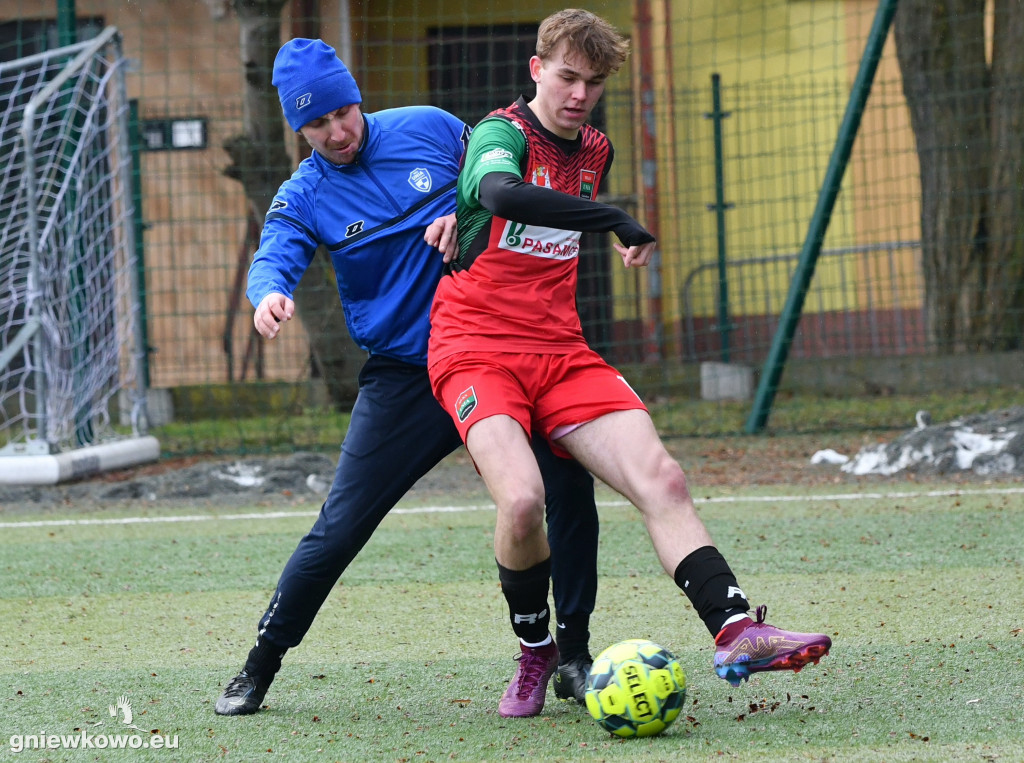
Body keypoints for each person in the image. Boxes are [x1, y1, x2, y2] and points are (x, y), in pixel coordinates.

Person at [427, 8, 831, 719]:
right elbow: (498, 194)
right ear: (536, 69)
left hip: (561, 350)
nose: (579, 94)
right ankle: (536, 649)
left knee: (663, 477)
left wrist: (605, 217)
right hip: (476, 347)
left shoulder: (595, 149)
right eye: (567, 77)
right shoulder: (501, 134)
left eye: (593, 83)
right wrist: (613, 217)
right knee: (521, 502)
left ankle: (737, 628)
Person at [214, 37, 601, 716]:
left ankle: (571, 656)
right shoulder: (305, 194)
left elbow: (497, 175)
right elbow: (275, 251)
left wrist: (463, 212)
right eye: (317, 123)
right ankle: (260, 663)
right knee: (340, 526)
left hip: (500, 352)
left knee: (567, 487)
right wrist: (267, 293)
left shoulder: (429, 128)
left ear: (357, 98)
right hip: (407, 376)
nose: (338, 132)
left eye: (343, 112)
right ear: (298, 129)